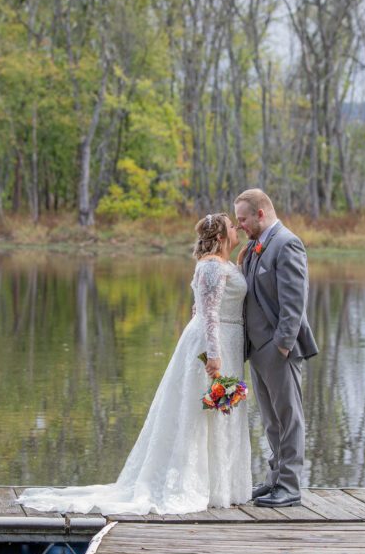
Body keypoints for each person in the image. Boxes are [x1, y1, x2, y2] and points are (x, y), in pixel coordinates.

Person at [18, 214, 251, 515]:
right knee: (203, 414)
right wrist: (214, 355)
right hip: (212, 345)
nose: (237, 230)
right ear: (220, 237)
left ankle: (222, 485)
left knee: (218, 413)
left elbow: (221, 298)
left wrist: (242, 265)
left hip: (225, 341)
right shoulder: (209, 266)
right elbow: (206, 313)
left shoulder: (223, 265)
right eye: (233, 227)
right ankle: (203, 486)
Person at [234, 189, 318, 508]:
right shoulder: (256, 246)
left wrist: (282, 346)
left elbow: (294, 302)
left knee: (289, 417)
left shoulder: (287, 243)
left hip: (278, 350)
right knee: (271, 420)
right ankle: (275, 478)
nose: (239, 225)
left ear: (260, 214)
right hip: (257, 349)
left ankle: (290, 486)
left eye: (242, 219)